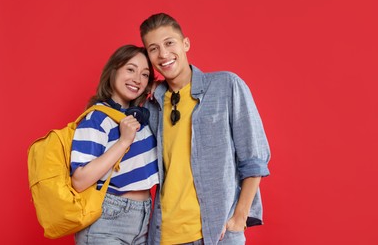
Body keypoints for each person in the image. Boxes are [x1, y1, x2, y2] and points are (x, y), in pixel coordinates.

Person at [140, 13, 271, 244]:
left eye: (169, 43)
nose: (163, 54)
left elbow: (254, 158)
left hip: (215, 233)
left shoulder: (226, 85)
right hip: (165, 234)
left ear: (186, 44)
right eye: (153, 48)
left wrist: (239, 218)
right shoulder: (152, 104)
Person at [70, 45, 159, 245]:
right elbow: (80, 180)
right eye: (130, 69)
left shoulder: (140, 117)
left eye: (145, 75)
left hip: (145, 217)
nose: (137, 79)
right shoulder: (98, 117)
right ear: (114, 71)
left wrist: (159, 89)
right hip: (107, 220)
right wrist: (124, 141)